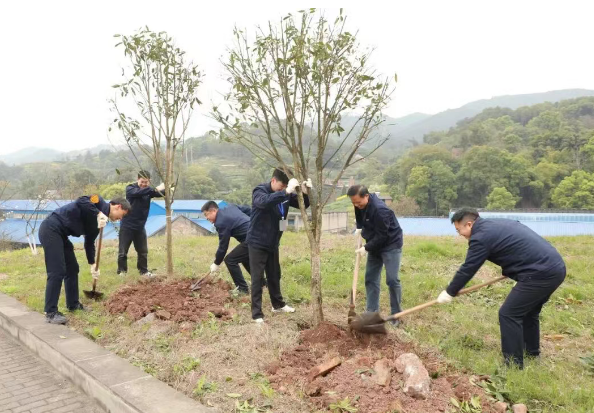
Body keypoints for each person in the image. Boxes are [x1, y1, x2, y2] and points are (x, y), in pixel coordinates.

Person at [437, 207, 566, 369]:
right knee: (529, 312)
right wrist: (513, 267)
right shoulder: (496, 224)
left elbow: (468, 268)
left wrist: (450, 292)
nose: (460, 234)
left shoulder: (480, 237)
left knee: (508, 314)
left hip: (540, 273)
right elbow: (514, 243)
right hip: (555, 267)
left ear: (469, 224)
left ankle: (513, 365)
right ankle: (532, 353)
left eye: (459, 230)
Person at [39, 195, 130, 324]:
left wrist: (92, 264)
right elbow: (81, 200)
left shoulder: (101, 223)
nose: (120, 219)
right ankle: (51, 312)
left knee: (72, 269)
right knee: (57, 271)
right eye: (122, 215)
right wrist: (98, 213)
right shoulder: (98, 201)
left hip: (61, 235)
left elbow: (89, 242)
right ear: (118, 207)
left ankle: (73, 304)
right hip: (50, 229)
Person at [246, 168, 310, 323]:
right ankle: (257, 314)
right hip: (257, 242)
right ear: (273, 180)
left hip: (273, 241)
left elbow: (303, 205)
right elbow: (264, 203)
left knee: (274, 274)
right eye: (281, 186)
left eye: (285, 187)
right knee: (257, 277)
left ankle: (278, 305)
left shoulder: (284, 193)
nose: (283, 189)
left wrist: (305, 192)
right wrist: (285, 192)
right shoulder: (260, 191)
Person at [347, 185, 404, 325]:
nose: (356, 205)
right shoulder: (359, 203)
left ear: (366, 196)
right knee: (370, 278)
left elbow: (383, 236)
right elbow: (359, 213)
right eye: (353, 202)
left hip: (390, 244)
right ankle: (372, 313)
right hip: (374, 242)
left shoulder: (380, 210)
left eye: (358, 202)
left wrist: (366, 248)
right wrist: (359, 227)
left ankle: (396, 315)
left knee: (392, 280)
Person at [117, 170, 165, 277]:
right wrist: (155, 188)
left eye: (146, 182)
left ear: (149, 181)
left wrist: (167, 187)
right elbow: (139, 192)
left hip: (140, 226)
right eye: (142, 182)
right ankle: (122, 272)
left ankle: (143, 271)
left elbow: (160, 193)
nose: (144, 184)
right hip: (127, 225)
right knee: (123, 251)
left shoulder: (148, 191)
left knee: (143, 251)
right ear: (137, 179)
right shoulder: (130, 188)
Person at [201, 200, 253, 294]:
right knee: (242, 257)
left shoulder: (221, 222)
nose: (206, 218)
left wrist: (216, 263)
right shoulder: (231, 206)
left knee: (230, 260)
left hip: (253, 239)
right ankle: (261, 282)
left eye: (206, 214)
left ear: (213, 211)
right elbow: (249, 210)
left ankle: (243, 289)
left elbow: (223, 246)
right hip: (258, 234)